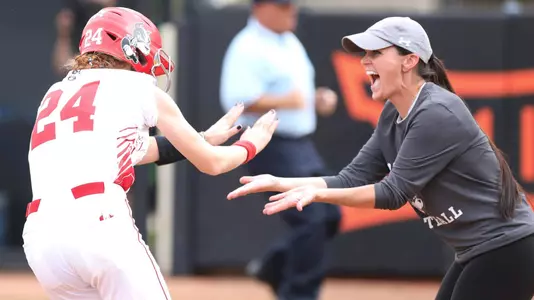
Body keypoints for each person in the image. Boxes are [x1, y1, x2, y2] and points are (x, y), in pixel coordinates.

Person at [227, 16, 534, 300]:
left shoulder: (436, 111)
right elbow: (351, 178)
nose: (364, 60)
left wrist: (317, 193)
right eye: (364, 53)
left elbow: (392, 193)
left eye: (375, 52)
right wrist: (279, 181)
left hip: (507, 248)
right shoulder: (394, 113)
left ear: (410, 60)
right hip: (479, 251)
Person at [23, 7, 278, 299]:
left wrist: (203, 137)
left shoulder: (54, 93)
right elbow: (213, 163)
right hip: (97, 222)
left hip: (41, 237)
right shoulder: (137, 85)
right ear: (130, 47)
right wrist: (252, 144)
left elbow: (136, 150)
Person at [219, 0, 340, 299]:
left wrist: (316, 98)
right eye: (284, 4)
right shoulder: (247, 46)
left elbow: (297, 93)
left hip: (301, 143)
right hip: (269, 143)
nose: (292, 10)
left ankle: (272, 267)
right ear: (261, 7)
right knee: (310, 218)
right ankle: (298, 294)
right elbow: (235, 99)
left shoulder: (289, 42)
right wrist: (288, 101)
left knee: (329, 214)